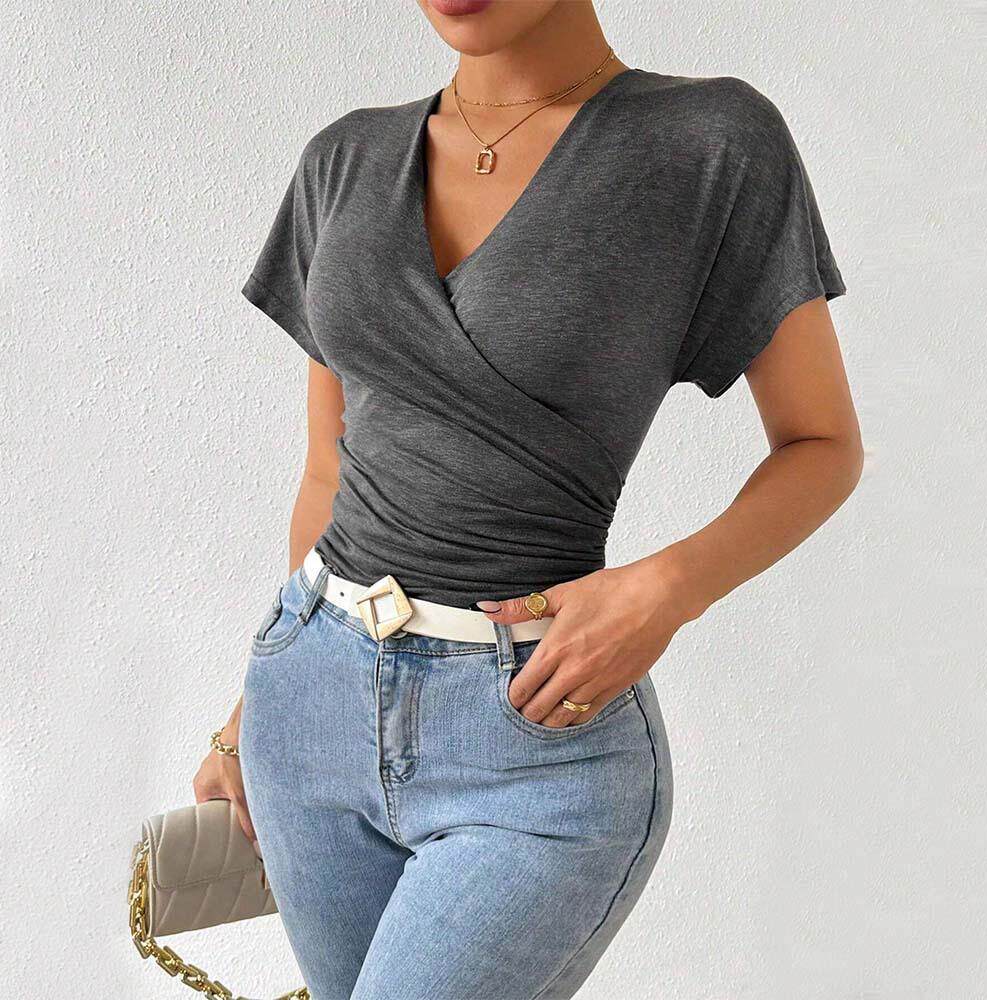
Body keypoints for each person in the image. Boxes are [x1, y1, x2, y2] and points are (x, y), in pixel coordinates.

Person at [193, 1, 863, 997]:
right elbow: (330, 469)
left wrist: (664, 590)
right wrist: (251, 712)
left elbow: (823, 445)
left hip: (534, 735)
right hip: (309, 712)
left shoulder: (709, 143)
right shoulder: (343, 158)